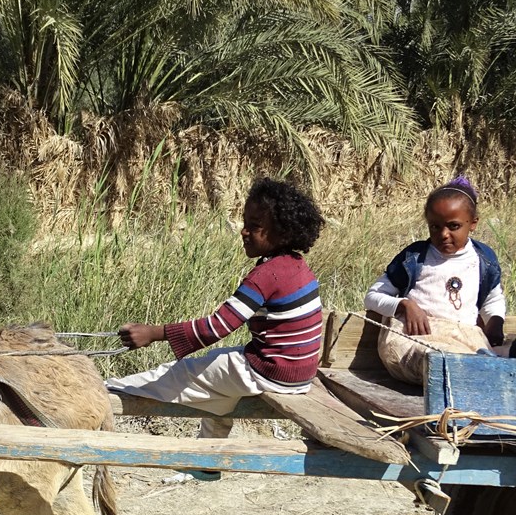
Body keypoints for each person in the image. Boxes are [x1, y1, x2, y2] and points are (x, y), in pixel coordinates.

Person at [105, 177, 326, 471]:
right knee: (218, 374)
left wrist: (153, 333)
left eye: (255, 225)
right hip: (298, 374)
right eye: (244, 222)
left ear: (282, 231)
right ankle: (207, 460)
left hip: (271, 372)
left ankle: (106, 390)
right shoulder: (297, 266)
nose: (244, 232)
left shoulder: (266, 276)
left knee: (179, 373)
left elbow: (216, 327)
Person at [363, 175, 506, 385]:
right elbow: (372, 297)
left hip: (464, 339)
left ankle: (475, 373)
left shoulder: (484, 260)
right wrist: (404, 305)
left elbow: (492, 300)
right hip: (413, 340)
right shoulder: (414, 258)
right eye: (435, 227)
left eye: (453, 226)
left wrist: (495, 323)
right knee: (439, 362)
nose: (444, 234)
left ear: (473, 223)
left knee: (473, 361)